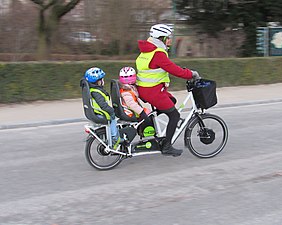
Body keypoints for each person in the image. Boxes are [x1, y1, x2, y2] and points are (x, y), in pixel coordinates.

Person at [135, 24, 201, 156]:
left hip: (145, 89)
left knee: (172, 100)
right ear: (162, 38)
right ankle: (167, 146)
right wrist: (191, 74)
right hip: (152, 91)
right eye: (168, 37)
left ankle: (151, 124)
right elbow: (173, 69)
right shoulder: (158, 53)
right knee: (174, 115)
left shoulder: (147, 50)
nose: (170, 40)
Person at [84, 67, 122, 149]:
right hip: (102, 113)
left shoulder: (92, 90)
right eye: (102, 79)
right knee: (113, 119)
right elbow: (103, 105)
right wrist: (111, 111)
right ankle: (115, 139)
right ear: (98, 82)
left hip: (97, 112)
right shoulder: (97, 93)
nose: (103, 81)